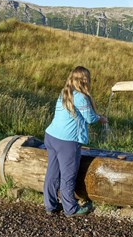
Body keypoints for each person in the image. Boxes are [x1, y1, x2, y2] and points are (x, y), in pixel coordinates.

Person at [43, 66, 108, 217]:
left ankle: (50, 205)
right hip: (67, 141)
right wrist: (101, 118)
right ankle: (70, 209)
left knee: (52, 173)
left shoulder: (65, 93)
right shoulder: (80, 97)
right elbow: (90, 118)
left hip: (51, 136)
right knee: (68, 176)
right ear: (84, 81)